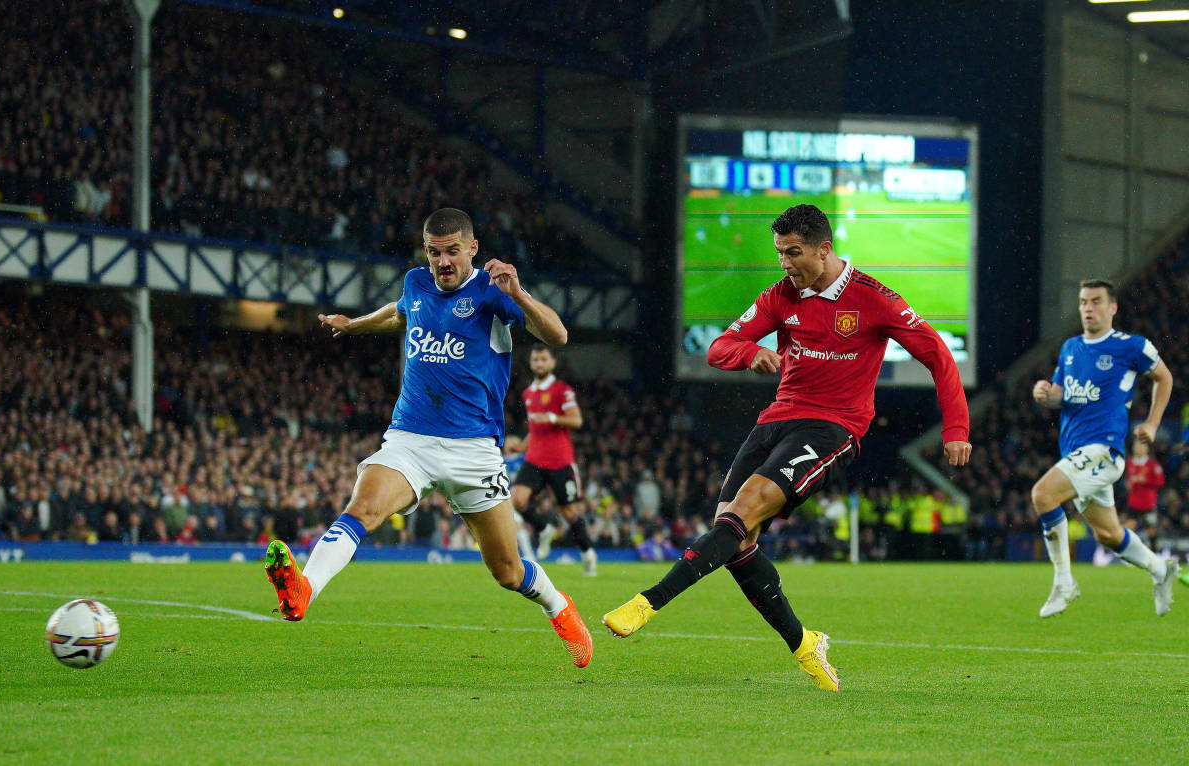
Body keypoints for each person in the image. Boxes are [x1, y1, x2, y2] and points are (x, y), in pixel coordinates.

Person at [602, 204, 971, 692]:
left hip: (833, 430)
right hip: (776, 421)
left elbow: (938, 355)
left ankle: (648, 602)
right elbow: (719, 347)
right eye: (779, 253)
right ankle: (805, 644)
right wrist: (749, 352)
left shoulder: (874, 299)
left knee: (744, 512)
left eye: (793, 253)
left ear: (824, 249)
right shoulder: (781, 296)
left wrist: (956, 429)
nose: (784, 264)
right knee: (734, 539)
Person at [263, 208, 592, 668]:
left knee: (507, 570)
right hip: (410, 439)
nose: (442, 261)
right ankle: (304, 588)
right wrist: (356, 325)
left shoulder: (492, 293)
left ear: (472, 249)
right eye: (434, 251)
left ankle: (559, 606)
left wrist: (517, 291)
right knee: (363, 508)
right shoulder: (416, 282)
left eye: (452, 251)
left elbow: (557, 335)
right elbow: (400, 315)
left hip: (474, 450)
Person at [1030, 279, 1178, 617]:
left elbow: (1164, 377)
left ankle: (1064, 582)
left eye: (1096, 302)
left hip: (1104, 450)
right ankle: (1161, 570)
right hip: (1075, 452)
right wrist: (1045, 394)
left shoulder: (1130, 347)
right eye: (1083, 302)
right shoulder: (1070, 348)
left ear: (1112, 308)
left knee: (1043, 495)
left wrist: (1153, 424)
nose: (1088, 308)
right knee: (1110, 535)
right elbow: (1059, 395)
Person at [511, 344, 598, 575]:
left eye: (543, 359)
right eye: (535, 359)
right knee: (517, 498)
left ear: (552, 363)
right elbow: (535, 427)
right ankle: (544, 528)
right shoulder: (528, 393)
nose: (539, 363)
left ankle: (588, 553)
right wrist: (520, 446)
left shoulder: (562, 390)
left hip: (560, 460)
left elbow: (577, 420)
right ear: (531, 363)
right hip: (534, 459)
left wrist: (551, 416)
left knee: (569, 512)